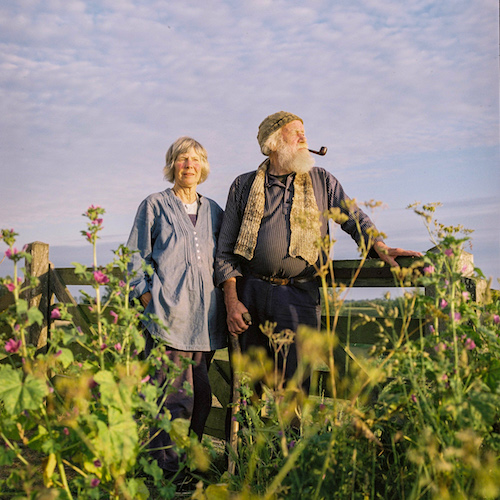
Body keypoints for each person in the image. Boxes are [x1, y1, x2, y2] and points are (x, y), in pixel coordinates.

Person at [215, 111, 422, 384]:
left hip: (299, 295)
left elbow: (354, 218)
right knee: (249, 386)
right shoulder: (243, 186)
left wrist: (379, 245)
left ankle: (289, 430)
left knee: (294, 387)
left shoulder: (322, 180)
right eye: (295, 132)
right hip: (251, 294)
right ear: (274, 142)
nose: (304, 137)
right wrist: (232, 302)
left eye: (305, 132)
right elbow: (225, 253)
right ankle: (251, 427)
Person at [126, 137, 227, 484]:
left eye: (196, 159)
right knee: (173, 398)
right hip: (168, 317)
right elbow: (135, 257)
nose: (189, 165)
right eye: (182, 159)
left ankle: (188, 467)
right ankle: (164, 474)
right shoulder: (154, 205)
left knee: (201, 397)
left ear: (203, 167)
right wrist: (145, 298)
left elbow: (225, 258)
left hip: (205, 321)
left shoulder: (214, 210)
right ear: (173, 165)